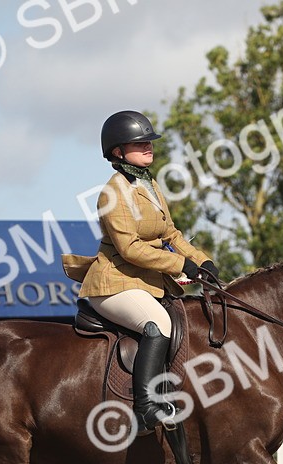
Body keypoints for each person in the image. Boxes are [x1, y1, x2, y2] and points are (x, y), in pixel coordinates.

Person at [63, 110, 219, 434]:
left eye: (149, 142)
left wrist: (201, 261)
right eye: (140, 143)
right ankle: (145, 408)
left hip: (145, 283)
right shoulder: (112, 193)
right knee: (158, 324)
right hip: (113, 284)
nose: (149, 147)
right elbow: (130, 249)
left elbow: (171, 234)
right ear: (118, 151)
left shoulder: (149, 184)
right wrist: (179, 265)